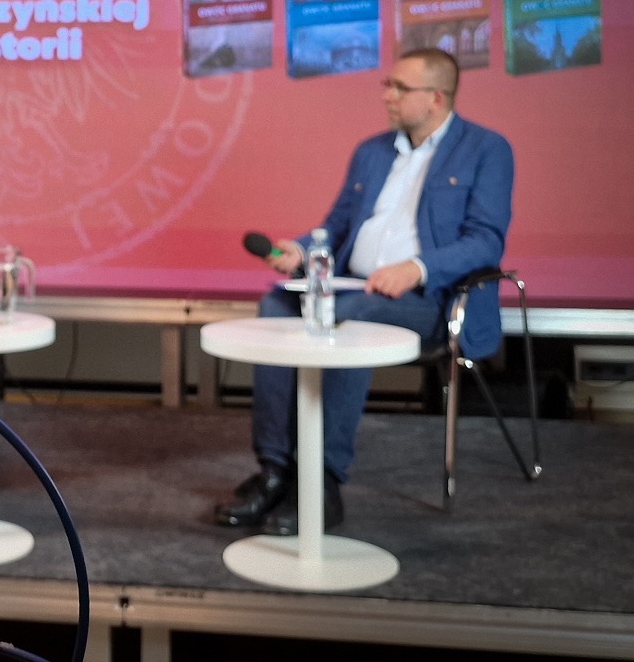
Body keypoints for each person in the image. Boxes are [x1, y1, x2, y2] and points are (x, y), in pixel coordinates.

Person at [214, 48, 512, 535]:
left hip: (429, 300)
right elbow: (336, 228)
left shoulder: (485, 149)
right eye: (386, 85)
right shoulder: (372, 152)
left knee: (346, 317)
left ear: (436, 98)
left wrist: (417, 268)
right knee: (276, 304)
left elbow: (485, 241)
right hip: (351, 285)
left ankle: (323, 481)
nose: (387, 96)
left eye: (399, 88)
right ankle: (275, 469)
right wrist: (302, 250)